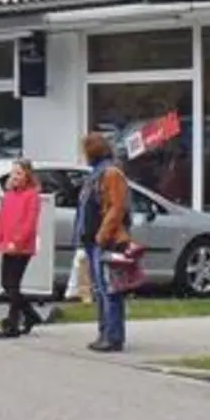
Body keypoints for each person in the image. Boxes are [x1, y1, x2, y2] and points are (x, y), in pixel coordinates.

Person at [77, 133, 131, 352]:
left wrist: (102, 236)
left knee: (110, 289)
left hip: (106, 241)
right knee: (101, 289)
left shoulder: (110, 173)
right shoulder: (96, 174)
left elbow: (117, 208)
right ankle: (104, 332)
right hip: (93, 240)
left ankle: (113, 336)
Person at [0, 158, 43, 339]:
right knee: (7, 284)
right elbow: (2, 219)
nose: (15, 177)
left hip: (22, 247)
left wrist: (17, 241)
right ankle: (29, 315)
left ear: (27, 175)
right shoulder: (9, 194)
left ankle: (12, 324)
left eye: (19, 173)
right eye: (13, 173)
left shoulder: (32, 195)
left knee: (12, 284)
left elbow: (29, 223)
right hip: (8, 244)